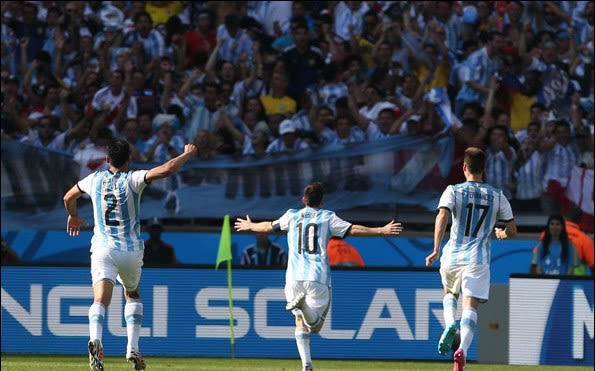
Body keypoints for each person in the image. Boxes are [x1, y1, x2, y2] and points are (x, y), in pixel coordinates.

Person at [234, 182, 403, 371]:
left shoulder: (291, 215)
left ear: (303, 200)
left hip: (293, 278)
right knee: (315, 327)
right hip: (317, 277)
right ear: (322, 201)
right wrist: (380, 230)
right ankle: (304, 308)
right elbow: (352, 229)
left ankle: (307, 364)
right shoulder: (327, 217)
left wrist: (250, 225)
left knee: (299, 321)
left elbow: (267, 227)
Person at [63, 138, 197, 371]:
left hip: (103, 249)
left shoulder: (93, 179)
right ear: (129, 160)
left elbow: (67, 197)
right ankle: (132, 348)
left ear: (106, 160)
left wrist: (73, 215)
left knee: (100, 300)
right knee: (132, 293)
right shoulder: (133, 179)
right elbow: (167, 169)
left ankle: (96, 340)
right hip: (130, 250)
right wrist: (187, 154)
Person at [425, 147, 517, 371]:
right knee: (471, 306)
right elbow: (512, 229)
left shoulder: (453, 191)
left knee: (449, 294)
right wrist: (502, 234)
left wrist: (436, 248)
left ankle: (450, 325)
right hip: (478, 258)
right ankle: (462, 352)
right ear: (483, 169)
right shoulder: (498, 195)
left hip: (452, 255)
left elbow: (443, 215)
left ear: (464, 167)